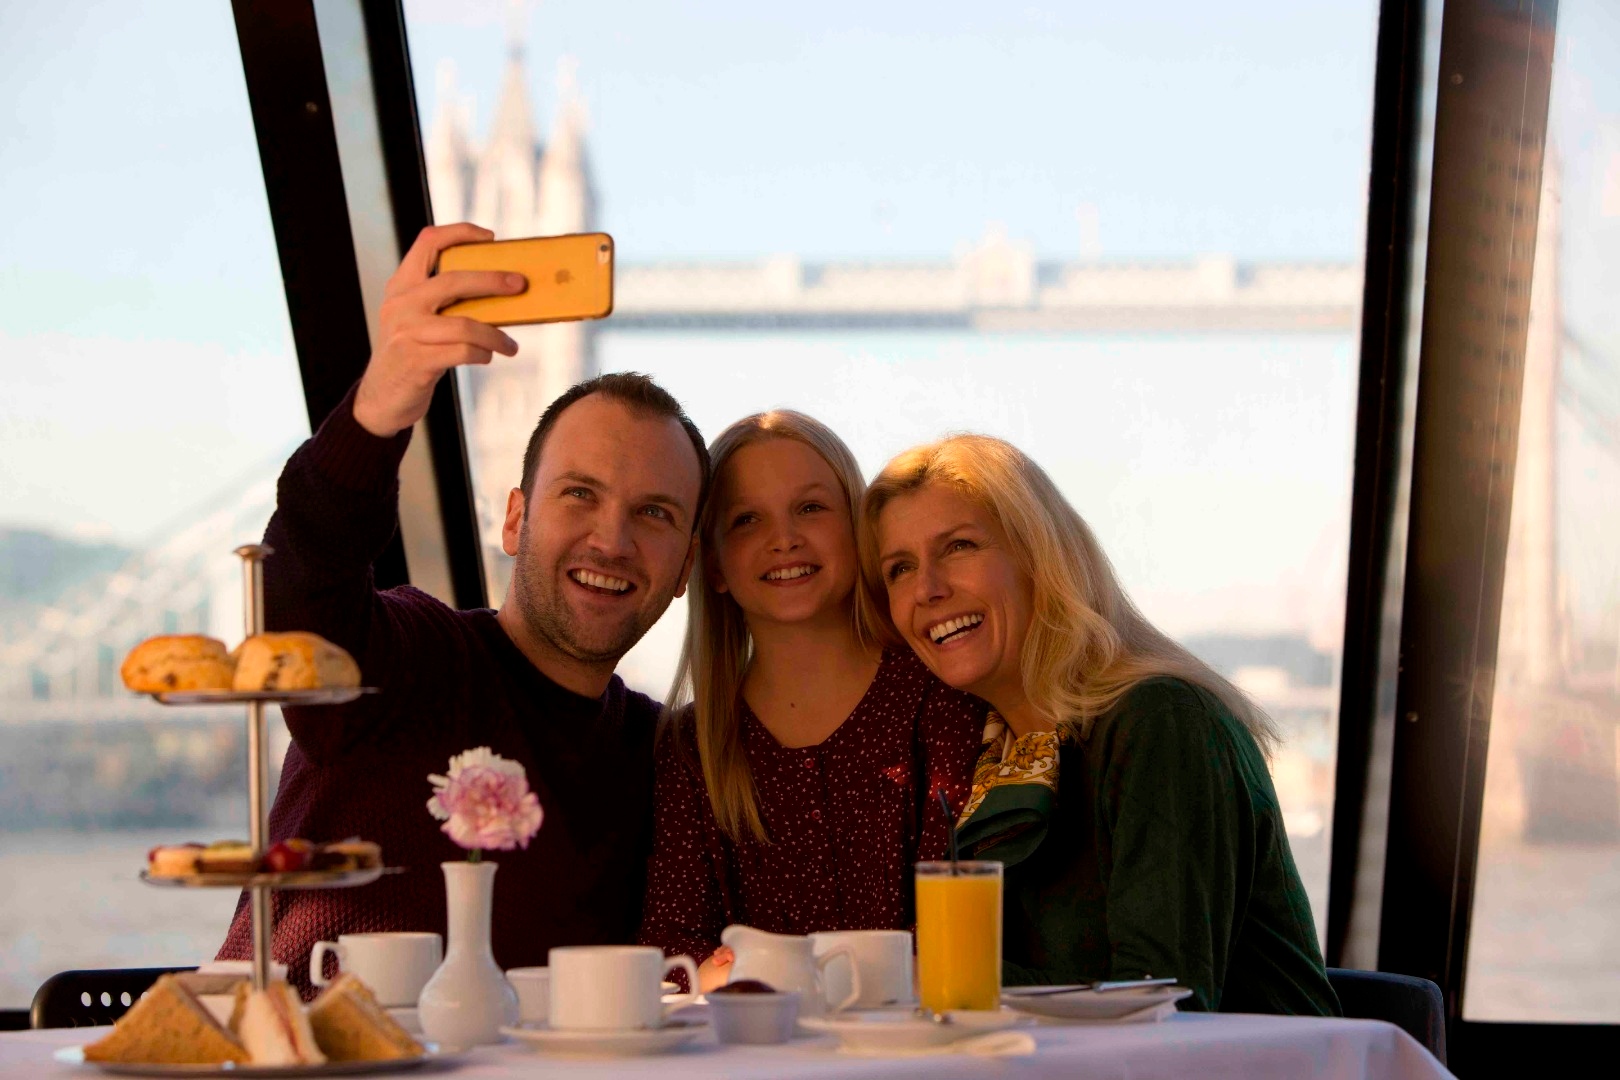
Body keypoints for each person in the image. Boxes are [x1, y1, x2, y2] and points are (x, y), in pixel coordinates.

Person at [217, 224, 710, 996]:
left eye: (655, 514)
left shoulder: (663, 760)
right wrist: (380, 406)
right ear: (513, 521)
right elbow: (304, 590)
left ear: (685, 567)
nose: (611, 539)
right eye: (579, 494)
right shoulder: (408, 662)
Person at [860, 434, 1339, 1015]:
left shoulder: (1161, 721)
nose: (927, 589)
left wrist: (919, 971)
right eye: (900, 569)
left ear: (1042, 558)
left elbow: (1159, 1001)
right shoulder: (996, 755)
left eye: (959, 546)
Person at [638, 412, 984, 991]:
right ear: (713, 565)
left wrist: (761, 975)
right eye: (746, 519)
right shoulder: (693, 747)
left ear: (859, 529)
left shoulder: (941, 698)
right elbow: (669, 947)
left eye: (811, 508)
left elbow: (962, 919)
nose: (784, 538)